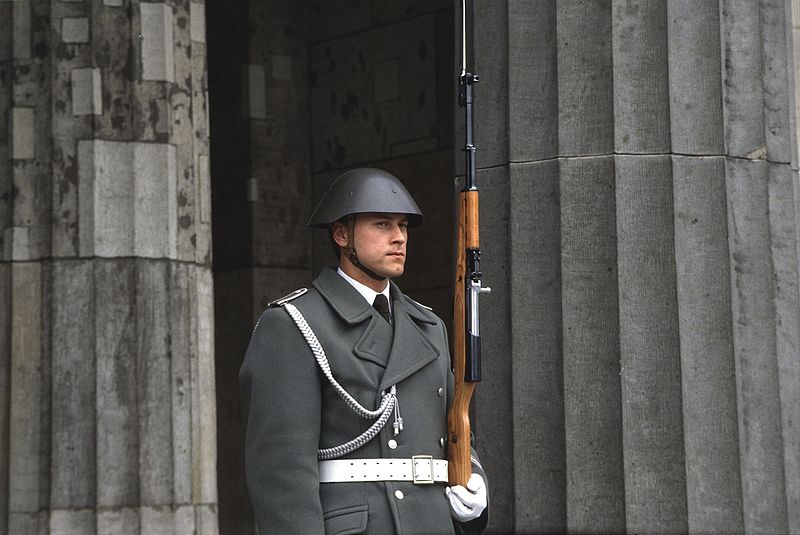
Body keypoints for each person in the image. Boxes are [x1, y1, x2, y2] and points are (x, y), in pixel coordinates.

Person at [240, 168, 489, 534]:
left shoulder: (429, 326)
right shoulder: (294, 324)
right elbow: (282, 475)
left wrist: (475, 479)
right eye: (382, 225)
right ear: (342, 235)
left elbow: (454, 429)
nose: (399, 238)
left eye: (403, 226)